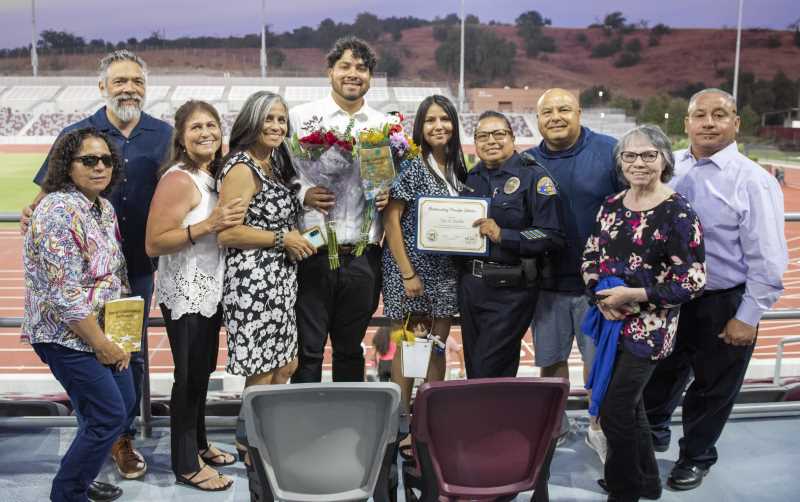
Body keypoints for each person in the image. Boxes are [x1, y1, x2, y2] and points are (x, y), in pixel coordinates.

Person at [21, 50, 171, 480]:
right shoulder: (76, 133)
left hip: (135, 268)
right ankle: (104, 435)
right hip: (79, 273)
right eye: (120, 80)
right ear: (102, 86)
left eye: (137, 81)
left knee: (130, 355)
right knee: (92, 357)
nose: (129, 88)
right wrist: (35, 214)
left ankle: (117, 437)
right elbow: (44, 194)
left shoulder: (163, 133)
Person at [643, 88, 788, 491]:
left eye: (719, 114)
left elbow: (769, 258)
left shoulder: (753, 181)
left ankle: (696, 457)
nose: (709, 122)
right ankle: (652, 435)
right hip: (671, 297)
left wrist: (748, 316)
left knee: (712, 388)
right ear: (686, 123)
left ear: (735, 123)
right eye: (700, 115)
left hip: (722, 301)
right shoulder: (670, 170)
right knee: (659, 374)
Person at [581, 125, 706, 502]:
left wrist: (634, 295)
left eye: (649, 155)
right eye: (630, 156)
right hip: (610, 321)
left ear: (665, 160)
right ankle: (647, 483)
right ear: (620, 162)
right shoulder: (612, 204)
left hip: (649, 330)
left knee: (617, 410)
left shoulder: (678, 212)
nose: (639, 162)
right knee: (630, 408)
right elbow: (589, 255)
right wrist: (601, 297)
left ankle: (625, 490)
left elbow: (693, 280)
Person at [22, 128, 134, 502]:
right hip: (66, 335)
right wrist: (101, 344)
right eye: (88, 160)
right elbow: (65, 295)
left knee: (120, 406)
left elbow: (114, 271)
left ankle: (82, 477)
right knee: (106, 416)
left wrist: (121, 330)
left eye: (106, 160)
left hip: (102, 331)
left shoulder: (102, 207)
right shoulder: (56, 211)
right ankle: (67, 493)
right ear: (67, 166)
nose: (100, 166)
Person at [145, 101, 245, 491]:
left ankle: (200, 445)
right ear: (181, 138)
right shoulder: (178, 179)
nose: (206, 133)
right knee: (187, 378)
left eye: (212, 125)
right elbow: (154, 243)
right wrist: (209, 224)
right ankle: (185, 463)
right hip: (186, 291)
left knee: (201, 372)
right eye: (195, 128)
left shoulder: (210, 174)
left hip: (209, 288)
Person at [216, 91, 316, 457]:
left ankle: (263, 433)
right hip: (253, 280)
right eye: (268, 118)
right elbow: (227, 232)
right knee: (261, 369)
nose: (276, 126)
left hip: (280, 277)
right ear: (252, 122)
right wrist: (282, 237)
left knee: (285, 364)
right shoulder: (242, 167)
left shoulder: (275, 161)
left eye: (281, 119)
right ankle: (251, 442)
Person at [527, 88, 624, 459]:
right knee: (550, 361)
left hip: (598, 287)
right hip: (547, 285)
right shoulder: (528, 161)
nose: (556, 117)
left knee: (598, 363)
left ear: (579, 112)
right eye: (547, 111)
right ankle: (555, 425)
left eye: (564, 109)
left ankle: (598, 426)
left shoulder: (609, 152)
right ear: (538, 120)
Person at [289, 36, 389, 383]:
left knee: (350, 350)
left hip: (363, 257)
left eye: (361, 68)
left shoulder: (383, 125)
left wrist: (389, 193)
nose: (353, 74)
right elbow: (280, 173)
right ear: (330, 70)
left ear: (370, 77)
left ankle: (349, 429)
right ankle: (305, 431)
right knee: (309, 350)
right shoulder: (301, 117)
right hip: (312, 253)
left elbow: (392, 181)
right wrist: (304, 193)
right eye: (345, 66)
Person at [459, 111, 565, 378]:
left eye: (499, 134)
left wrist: (503, 235)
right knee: (475, 368)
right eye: (482, 136)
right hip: (472, 288)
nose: (491, 141)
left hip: (511, 290)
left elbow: (552, 235)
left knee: (488, 368)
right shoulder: (472, 178)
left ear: (512, 137)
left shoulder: (535, 178)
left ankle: (491, 420)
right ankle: (488, 420)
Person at [382, 94, 467, 408]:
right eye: (431, 120)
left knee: (437, 348)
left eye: (445, 119)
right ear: (420, 126)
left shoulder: (459, 167)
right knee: (408, 352)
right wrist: (407, 274)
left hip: (445, 273)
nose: (439, 126)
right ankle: (401, 424)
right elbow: (390, 219)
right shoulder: (411, 164)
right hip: (409, 274)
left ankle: (430, 422)